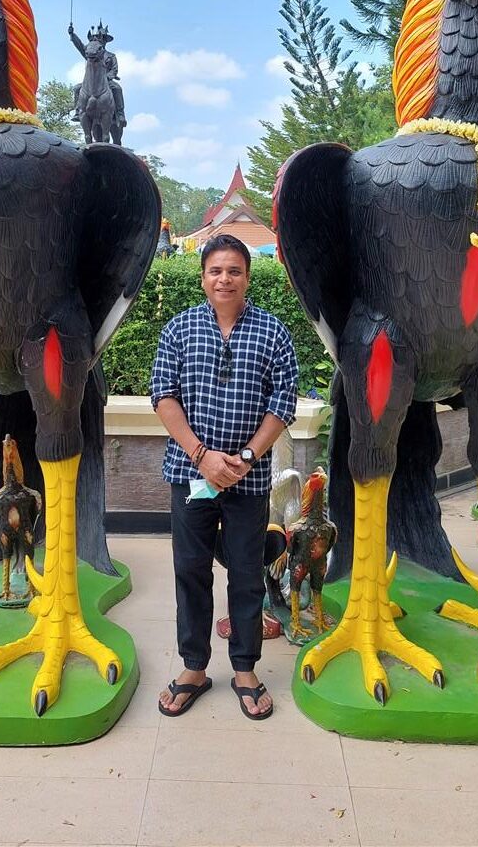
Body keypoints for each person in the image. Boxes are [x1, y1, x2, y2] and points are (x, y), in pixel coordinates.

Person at [151, 233, 298, 720]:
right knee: (190, 570)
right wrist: (202, 455)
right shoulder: (179, 329)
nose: (224, 278)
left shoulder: (272, 331)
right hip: (189, 472)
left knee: (245, 575)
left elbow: (283, 402)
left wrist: (248, 458)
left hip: (248, 479)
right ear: (202, 277)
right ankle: (194, 666)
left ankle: (245, 669)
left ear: (247, 278)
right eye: (216, 270)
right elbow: (163, 396)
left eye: (234, 270)